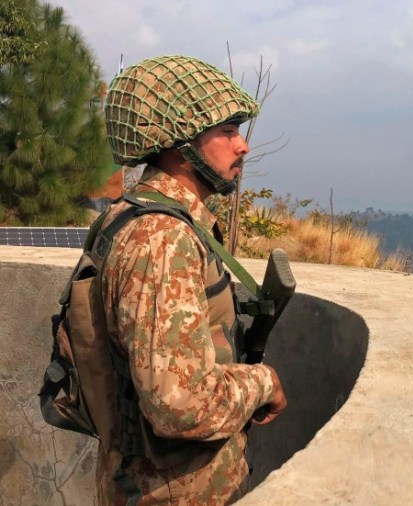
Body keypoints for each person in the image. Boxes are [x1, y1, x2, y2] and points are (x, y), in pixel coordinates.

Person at [96, 54, 288, 505]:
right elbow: (178, 405)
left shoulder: (143, 216)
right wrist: (265, 383)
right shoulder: (162, 239)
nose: (243, 146)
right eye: (226, 132)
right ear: (177, 146)